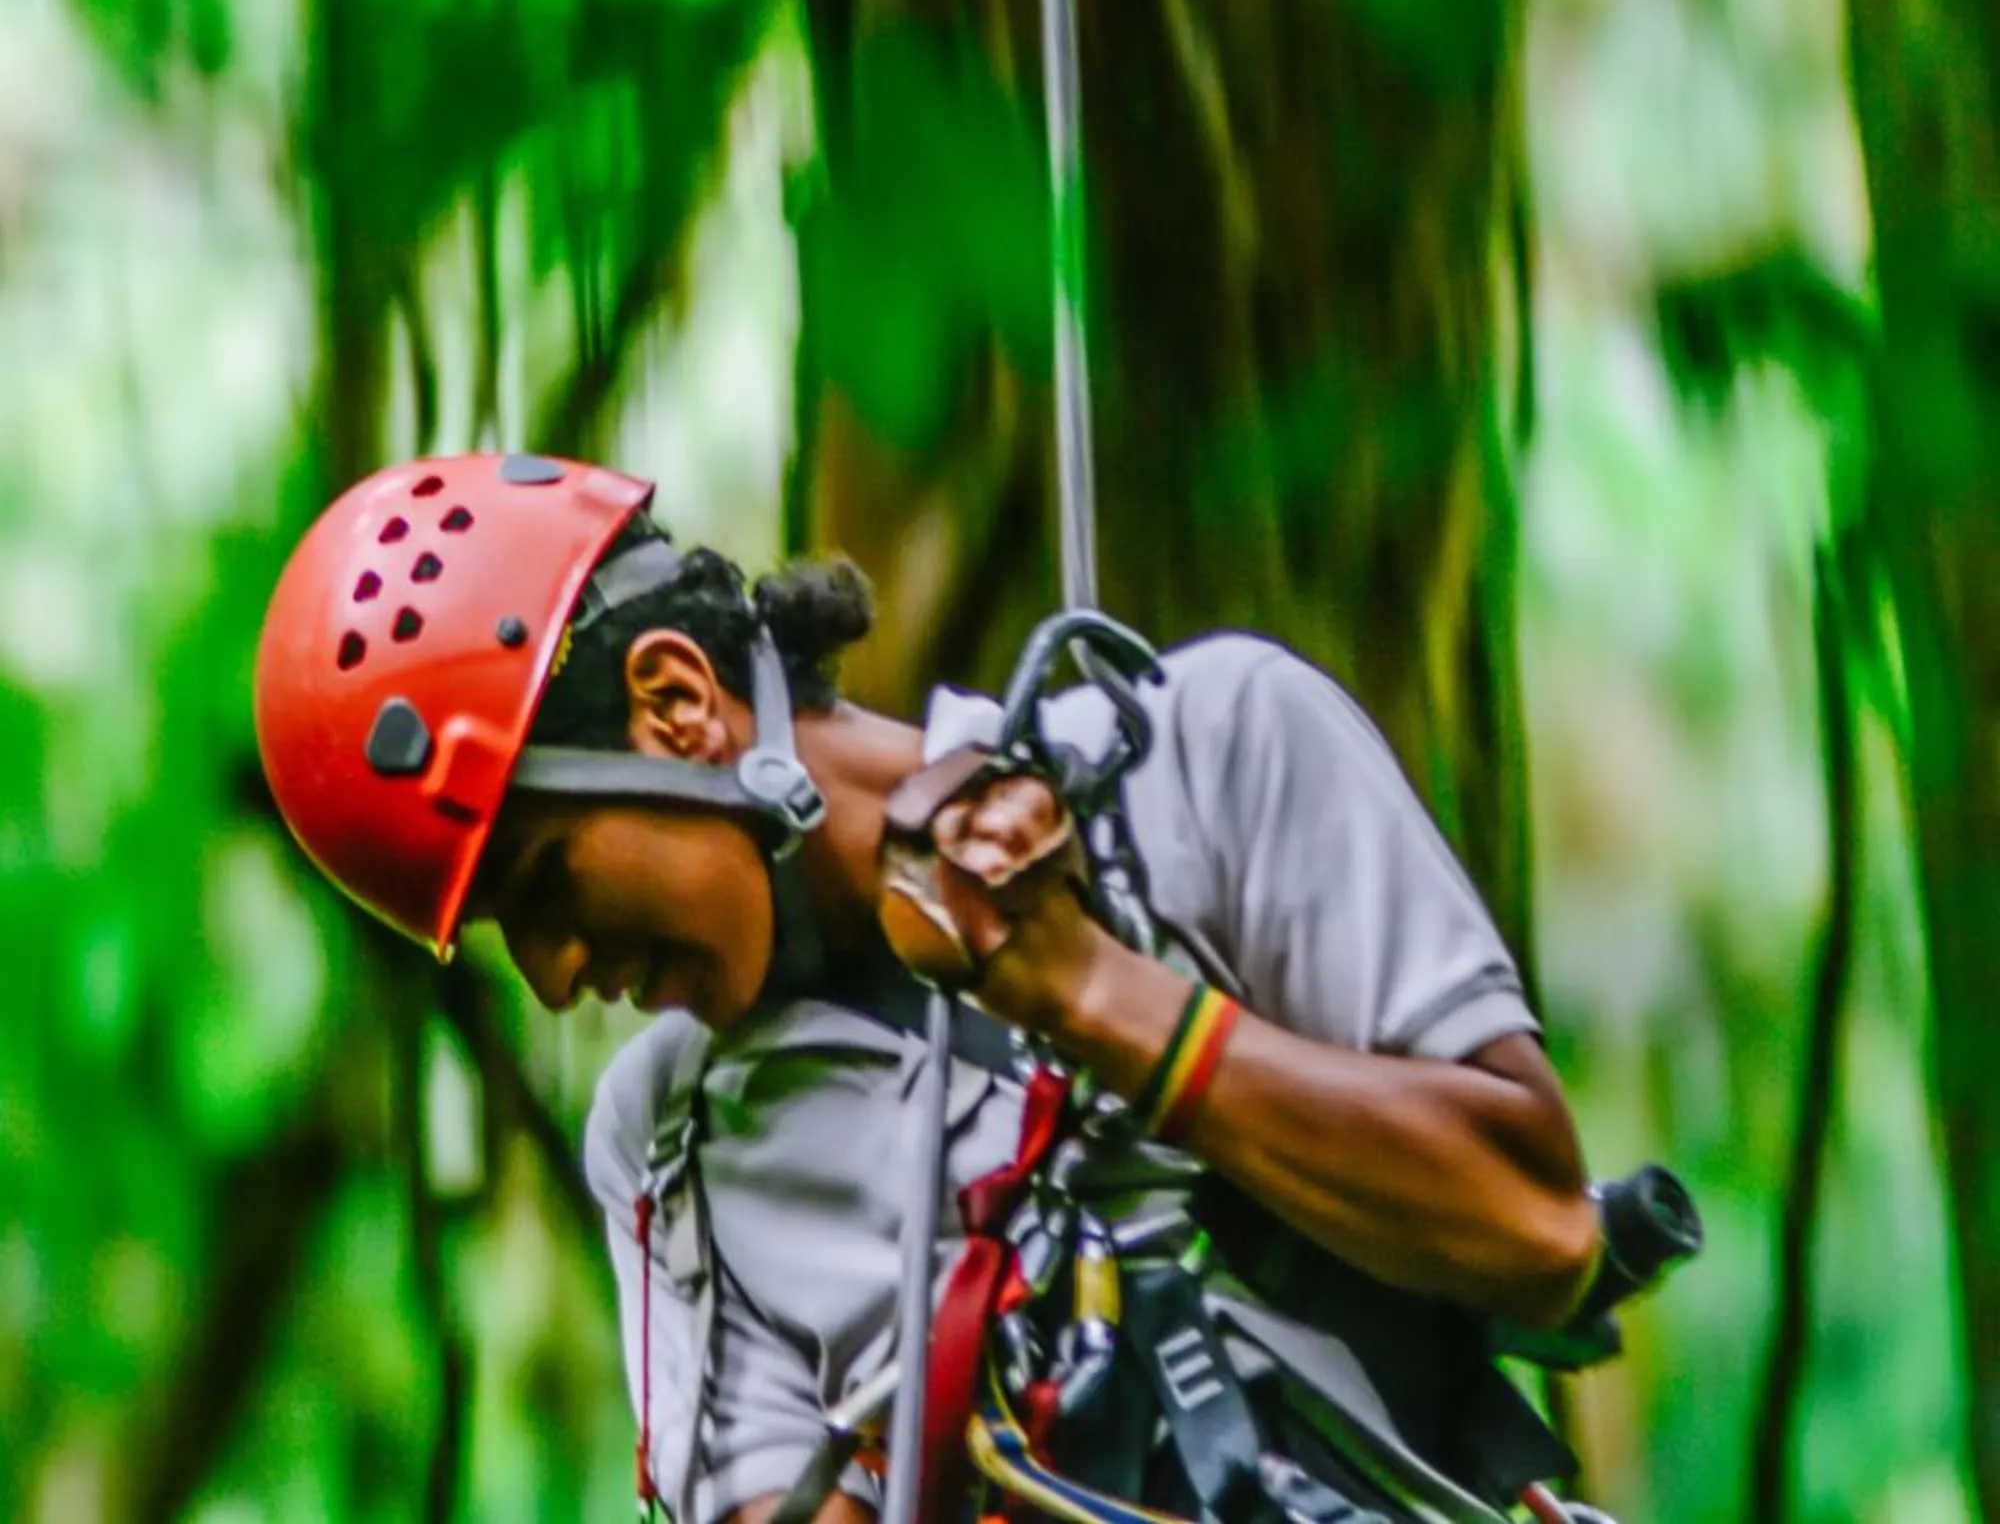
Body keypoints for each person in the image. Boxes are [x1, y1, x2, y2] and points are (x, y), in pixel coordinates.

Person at [255, 450, 1607, 1524]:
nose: (553, 979)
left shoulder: (1198, 763)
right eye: (504, 936)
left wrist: (1087, 993)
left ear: (677, 704)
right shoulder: (676, 1153)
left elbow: (1536, 1236)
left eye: (545, 882)